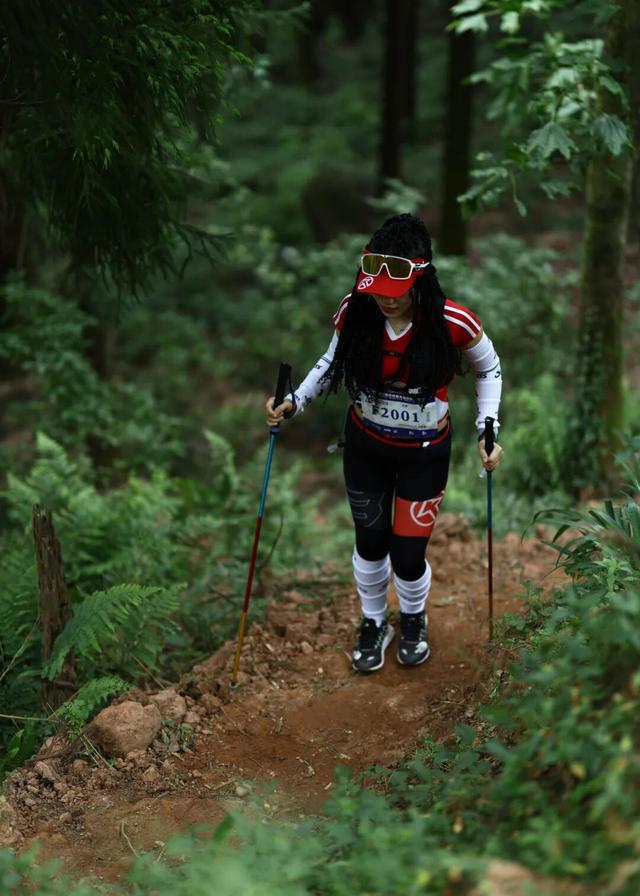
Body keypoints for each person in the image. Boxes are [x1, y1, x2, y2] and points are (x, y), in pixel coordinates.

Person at [265, 213, 503, 673]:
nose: (385, 301)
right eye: (377, 291)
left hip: (425, 454)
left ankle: (413, 618)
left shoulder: (452, 321)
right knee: (370, 542)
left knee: (408, 553)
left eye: (395, 293)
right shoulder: (357, 312)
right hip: (366, 447)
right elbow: (331, 363)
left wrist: (487, 429)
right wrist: (295, 402)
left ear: (420, 279)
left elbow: (487, 369)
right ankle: (374, 622)